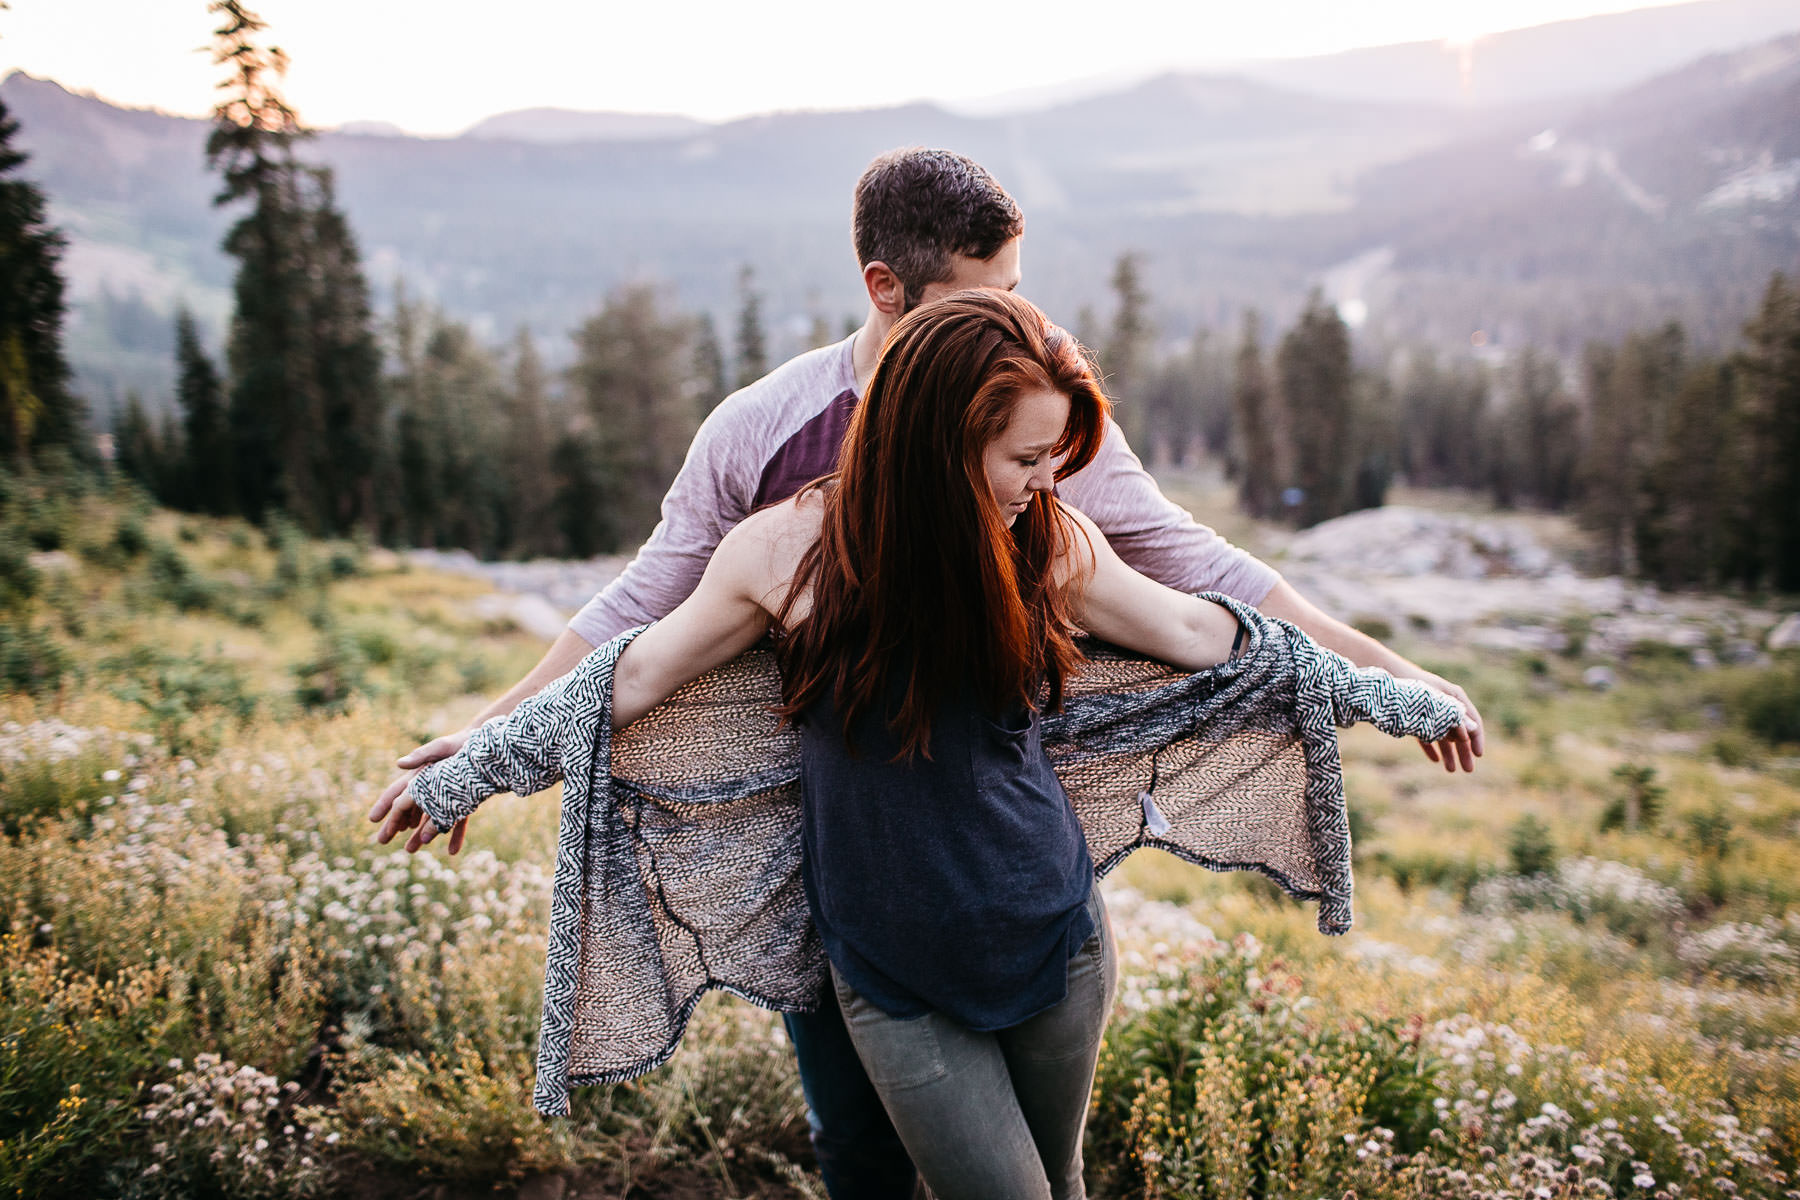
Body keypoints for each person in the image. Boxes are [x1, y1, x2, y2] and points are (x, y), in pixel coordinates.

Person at [370, 148, 1483, 1198]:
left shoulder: (1045, 507)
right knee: (860, 1151)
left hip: (1040, 914)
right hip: (860, 923)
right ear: (890, 295)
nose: (1043, 473)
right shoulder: (773, 479)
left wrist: (1393, 685)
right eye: (1021, 460)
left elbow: (1208, 613)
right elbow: (633, 644)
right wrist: (482, 749)